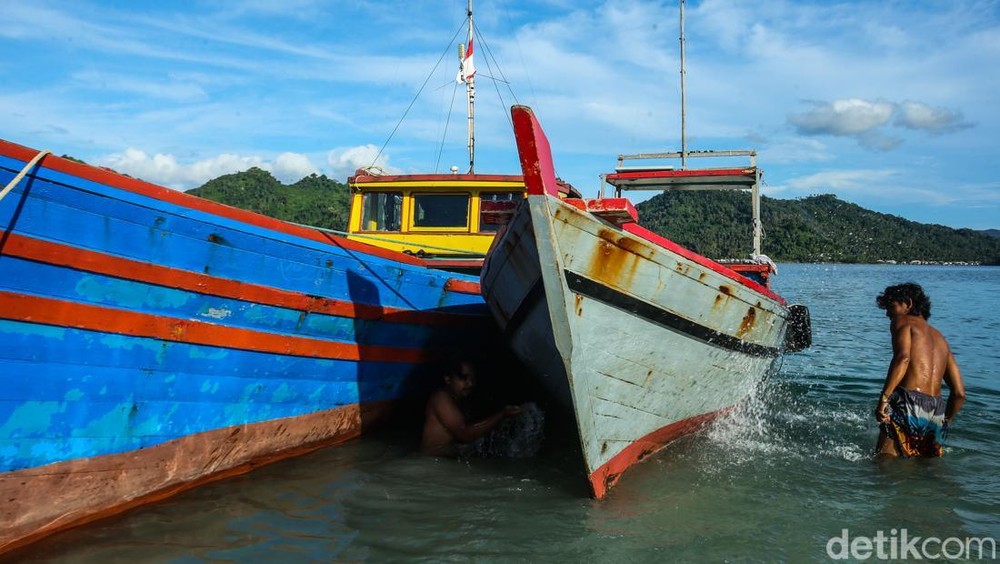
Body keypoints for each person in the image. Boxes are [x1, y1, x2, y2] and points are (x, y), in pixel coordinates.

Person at [874, 283, 966, 458]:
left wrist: (884, 399)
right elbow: (959, 393)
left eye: (891, 306)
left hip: (908, 400)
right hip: (936, 410)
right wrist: (944, 422)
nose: (887, 314)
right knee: (925, 466)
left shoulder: (902, 321)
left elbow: (903, 358)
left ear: (908, 303)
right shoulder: (941, 338)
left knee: (882, 461)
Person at [421, 358, 524, 457]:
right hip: (433, 462)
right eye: (464, 378)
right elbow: (465, 434)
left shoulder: (461, 400)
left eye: (472, 378)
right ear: (448, 379)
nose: (470, 383)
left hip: (444, 461)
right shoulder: (441, 399)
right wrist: (502, 415)